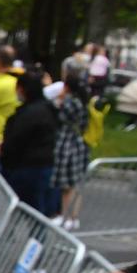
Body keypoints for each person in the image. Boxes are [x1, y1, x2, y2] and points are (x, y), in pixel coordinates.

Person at [0, 66, 58, 217]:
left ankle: (36, 240)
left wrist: (2, 149)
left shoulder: (30, 114)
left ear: (23, 89)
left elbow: (16, 140)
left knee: (32, 212)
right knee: (34, 211)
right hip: (38, 166)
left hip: (27, 168)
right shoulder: (45, 109)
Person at [51, 56, 92, 228]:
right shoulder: (83, 102)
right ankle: (72, 216)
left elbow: (58, 116)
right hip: (78, 143)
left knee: (67, 183)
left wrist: (59, 100)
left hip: (67, 144)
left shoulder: (69, 103)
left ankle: (67, 215)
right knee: (73, 183)